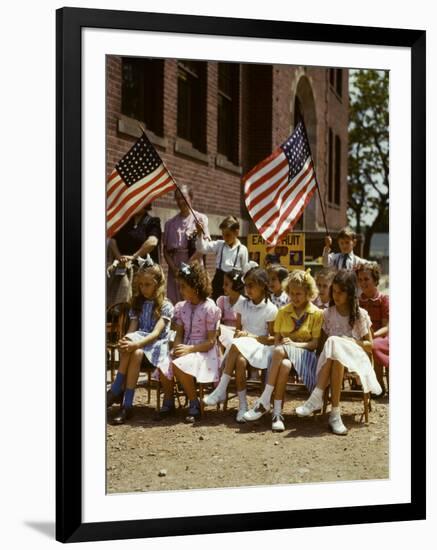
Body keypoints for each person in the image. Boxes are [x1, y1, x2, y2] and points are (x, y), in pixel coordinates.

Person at [295, 270, 382, 435]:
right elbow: (322, 344)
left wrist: (348, 341)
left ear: (350, 293)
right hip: (334, 360)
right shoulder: (328, 314)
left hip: (356, 359)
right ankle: (335, 414)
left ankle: (316, 397)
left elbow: (369, 345)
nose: (336, 295)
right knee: (335, 351)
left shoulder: (360, 314)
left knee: (335, 342)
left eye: (341, 292)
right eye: (333, 291)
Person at [243, 270, 323, 431]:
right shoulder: (283, 312)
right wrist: (287, 346)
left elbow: (314, 344)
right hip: (284, 357)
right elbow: (278, 340)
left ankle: (265, 400)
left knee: (279, 352)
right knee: (284, 363)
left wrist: (294, 345)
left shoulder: (317, 313)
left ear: (308, 293)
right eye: (292, 293)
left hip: (306, 357)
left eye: (299, 293)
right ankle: (277, 414)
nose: (295, 297)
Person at [202, 267, 278, 422]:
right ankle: (242, 406)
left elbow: (273, 339)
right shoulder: (242, 305)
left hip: (261, 348)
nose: (247, 289)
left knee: (237, 344)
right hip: (242, 348)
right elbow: (237, 331)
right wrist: (242, 335)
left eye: (251, 285)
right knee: (240, 361)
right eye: (246, 285)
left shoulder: (271, 309)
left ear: (262, 286)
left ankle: (221, 389)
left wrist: (250, 336)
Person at [106, 264, 174, 424]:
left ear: (158, 284)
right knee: (133, 349)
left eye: (148, 284)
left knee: (135, 349)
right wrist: (126, 340)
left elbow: (155, 334)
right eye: (141, 284)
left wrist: (135, 344)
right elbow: (132, 329)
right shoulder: (138, 303)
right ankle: (127, 406)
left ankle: (116, 390)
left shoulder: (165, 305)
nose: (143, 288)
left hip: (156, 346)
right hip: (139, 346)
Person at [156, 261, 221, 422]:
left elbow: (211, 341)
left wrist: (189, 350)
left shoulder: (209, 308)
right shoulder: (180, 307)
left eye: (184, 286)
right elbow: (179, 333)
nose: (181, 290)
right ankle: (169, 401)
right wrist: (177, 348)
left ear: (195, 287)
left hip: (204, 351)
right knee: (164, 362)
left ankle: (194, 403)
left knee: (180, 364)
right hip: (185, 347)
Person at [107, 204, 162, 307]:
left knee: (139, 305)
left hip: (144, 275)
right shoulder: (124, 222)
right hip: (123, 273)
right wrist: (119, 257)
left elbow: (152, 242)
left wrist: (134, 257)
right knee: (121, 306)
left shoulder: (153, 221)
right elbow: (112, 240)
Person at [163, 185, 209, 305]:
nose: (180, 201)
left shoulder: (200, 219)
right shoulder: (170, 223)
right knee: (175, 303)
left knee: (193, 299)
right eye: (177, 198)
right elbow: (165, 250)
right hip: (175, 268)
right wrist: (175, 269)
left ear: (191, 198)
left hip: (193, 265)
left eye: (183, 197)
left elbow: (204, 246)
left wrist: (186, 267)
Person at [195, 215, 249, 301]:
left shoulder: (242, 249)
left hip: (235, 284)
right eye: (223, 235)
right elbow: (201, 248)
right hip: (219, 282)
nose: (225, 238)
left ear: (236, 232)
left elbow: (245, 270)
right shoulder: (219, 245)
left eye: (228, 235)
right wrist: (199, 233)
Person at [356, 262, 389, 394]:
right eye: (360, 280)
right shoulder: (358, 301)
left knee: (374, 345)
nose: (363, 283)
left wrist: (372, 336)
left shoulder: (383, 299)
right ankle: (365, 382)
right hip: (364, 336)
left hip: (382, 335)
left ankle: (379, 383)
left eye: (366, 279)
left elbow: (387, 326)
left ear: (375, 280)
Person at [216, 269, 245, 351]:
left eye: (226, 284)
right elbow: (217, 319)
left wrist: (224, 329)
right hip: (222, 332)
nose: (223, 287)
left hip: (237, 334)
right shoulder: (222, 300)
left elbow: (242, 327)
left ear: (235, 285)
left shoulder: (244, 303)